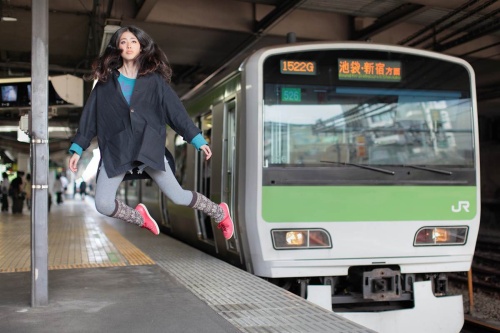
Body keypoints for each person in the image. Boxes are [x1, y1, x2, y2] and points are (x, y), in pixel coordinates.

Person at [68, 26, 233, 239]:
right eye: (123, 41)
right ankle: (139, 217)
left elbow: (176, 112)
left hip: (148, 148)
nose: (128, 45)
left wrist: (197, 139)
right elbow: (90, 118)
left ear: (142, 46)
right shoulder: (105, 85)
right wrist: (77, 149)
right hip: (118, 150)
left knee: (178, 195)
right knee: (103, 204)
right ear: (117, 48)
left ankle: (219, 212)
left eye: (133, 41)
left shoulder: (154, 81)